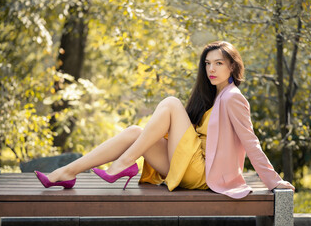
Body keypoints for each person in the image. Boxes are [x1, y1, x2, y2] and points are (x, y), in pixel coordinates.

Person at [35, 41, 295, 198]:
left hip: (204, 173)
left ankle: (124, 162)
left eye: (219, 63)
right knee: (135, 131)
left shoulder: (233, 98)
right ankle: (67, 172)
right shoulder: (208, 98)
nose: (212, 69)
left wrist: (274, 181)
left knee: (170, 103)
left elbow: (251, 142)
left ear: (232, 67)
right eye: (208, 63)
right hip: (187, 163)